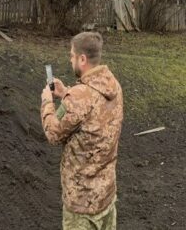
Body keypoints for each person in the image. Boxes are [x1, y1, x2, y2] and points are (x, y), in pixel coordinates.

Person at [40, 32, 123, 230]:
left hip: (81, 204)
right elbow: (91, 111)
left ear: (82, 59)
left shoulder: (79, 98)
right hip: (106, 196)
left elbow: (53, 132)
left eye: (72, 56)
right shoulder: (114, 86)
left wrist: (47, 101)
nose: (70, 60)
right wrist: (66, 93)